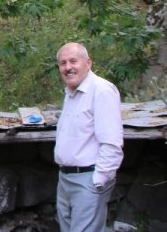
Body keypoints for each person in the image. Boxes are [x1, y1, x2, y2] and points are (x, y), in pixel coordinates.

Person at [53, 42, 123, 232]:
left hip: (88, 179)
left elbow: (112, 143)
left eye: (73, 61)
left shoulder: (101, 91)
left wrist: (98, 181)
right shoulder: (71, 93)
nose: (68, 67)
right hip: (66, 179)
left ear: (88, 63)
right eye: (63, 63)